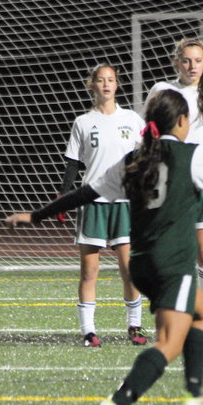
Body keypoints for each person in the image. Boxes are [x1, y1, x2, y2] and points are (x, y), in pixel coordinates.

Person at [6, 90, 203, 405]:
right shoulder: (193, 155)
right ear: (182, 121)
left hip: (142, 265)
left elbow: (85, 194)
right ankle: (120, 403)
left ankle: (194, 396)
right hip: (172, 263)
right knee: (169, 343)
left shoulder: (134, 158)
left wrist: (36, 215)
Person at [57, 64, 147, 347]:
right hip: (93, 201)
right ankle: (88, 331)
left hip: (125, 201)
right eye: (100, 80)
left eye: (111, 80)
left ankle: (134, 325)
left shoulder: (132, 119)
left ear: (117, 85)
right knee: (89, 271)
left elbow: (148, 154)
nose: (106, 84)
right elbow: (73, 163)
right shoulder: (83, 122)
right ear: (91, 85)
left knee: (129, 269)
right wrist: (63, 196)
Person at [145, 38, 203, 306]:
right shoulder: (163, 90)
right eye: (186, 60)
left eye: (197, 61)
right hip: (171, 181)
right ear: (176, 63)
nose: (192, 66)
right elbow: (147, 130)